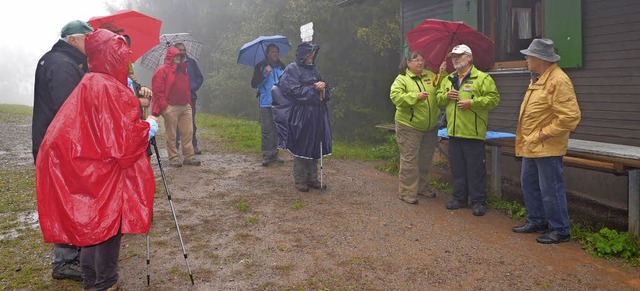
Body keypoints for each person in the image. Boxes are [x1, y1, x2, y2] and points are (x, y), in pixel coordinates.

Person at [35, 28, 159, 291]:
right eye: (122, 56)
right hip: (103, 171)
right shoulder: (113, 90)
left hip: (84, 167)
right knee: (108, 227)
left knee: (92, 228)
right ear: (113, 58)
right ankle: (105, 282)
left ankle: (91, 281)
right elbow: (124, 144)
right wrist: (149, 126)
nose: (126, 61)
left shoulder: (88, 82)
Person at [32, 19, 94, 282]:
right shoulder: (62, 65)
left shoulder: (62, 60)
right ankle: (65, 262)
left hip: (55, 143)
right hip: (58, 145)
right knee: (65, 200)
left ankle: (74, 252)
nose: (89, 45)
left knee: (68, 198)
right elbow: (70, 110)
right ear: (74, 40)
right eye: (86, 40)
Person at [512, 38, 581, 244]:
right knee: (529, 184)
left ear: (539, 58)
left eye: (528, 56)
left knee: (551, 189)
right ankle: (537, 221)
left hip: (546, 145)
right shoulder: (538, 77)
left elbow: (570, 117)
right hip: (531, 144)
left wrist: (543, 134)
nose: (526, 60)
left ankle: (560, 230)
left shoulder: (558, 80)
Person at [436, 44, 500, 216]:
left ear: (469, 57)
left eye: (459, 55)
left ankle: (479, 201)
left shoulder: (482, 78)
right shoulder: (448, 79)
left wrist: (472, 102)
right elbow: (438, 99)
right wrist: (446, 96)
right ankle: (459, 199)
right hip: (454, 132)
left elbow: (494, 99)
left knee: (475, 169)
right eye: (453, 56)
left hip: (473, 132)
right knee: (457, 168)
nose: (455, 59)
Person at [272, 42, 331, 192]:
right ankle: (300, 179)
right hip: (302, 114)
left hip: (317, 114)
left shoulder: (314, 70)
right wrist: (314, 89)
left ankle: (312, 178)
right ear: (303, 55)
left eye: (313, 53)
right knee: (302, 144)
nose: (311, 56)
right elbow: (292, 90)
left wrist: (323, 86)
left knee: (315, 144)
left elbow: (325, 90)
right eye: (309, 53)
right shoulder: (292, 69)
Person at [389, 51, 441, 204]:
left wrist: (442, 71)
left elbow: (440, 85)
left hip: (430, 126)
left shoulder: (430, 76)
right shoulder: (402, 79)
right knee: (410, 159)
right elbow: (396, 97)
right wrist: (415, 97)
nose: (420, 62)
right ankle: (406, 192)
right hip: (409, 126)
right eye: (416, 60)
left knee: (425, 159)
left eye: (421, 59)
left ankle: (421, 187)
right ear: (408, 63)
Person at [151, 46, 202, 167]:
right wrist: (165, 107)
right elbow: (157, 91)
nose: (179, 58)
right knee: (172, 134)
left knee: (188, 133)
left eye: (180, 56)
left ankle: (189, 156)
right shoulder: (161, 70)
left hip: (185, 105)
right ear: (170, 57)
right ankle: (173, 157)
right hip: (171, 107)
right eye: (176, 56)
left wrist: (188, 102)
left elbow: (187, 87)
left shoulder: (183, 69)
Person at [252, 43, 286, 166]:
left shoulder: (282, 66)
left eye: (276, 51)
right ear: (267, 53)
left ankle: (274, 154)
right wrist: (265, 74)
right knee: (267, 130)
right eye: (272, 51)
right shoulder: (261, 66)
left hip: (279, 103)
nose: (275, 53)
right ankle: (267, 155)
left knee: (277, 129)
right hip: (266, 102)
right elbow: (255, 84)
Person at [174, 42, 205, 155]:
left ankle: (193, 145)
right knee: (176, 122)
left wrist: (192, 88)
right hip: (176, 99)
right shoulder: (172, 64)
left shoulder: (191, 63)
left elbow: (200, 78)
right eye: (179, 50)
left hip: (191, 97)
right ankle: (176, 146)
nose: (181, 52)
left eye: (183, 50)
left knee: (191, 122)